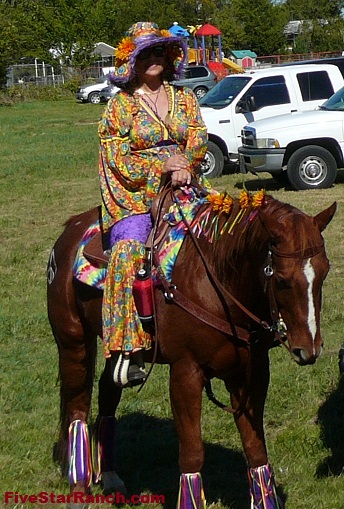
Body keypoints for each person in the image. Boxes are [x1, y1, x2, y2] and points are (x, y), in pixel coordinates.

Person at [98, 21, 210, 387]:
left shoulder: (185, 98)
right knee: (129, 249)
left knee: (222, 230)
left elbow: (197, 135)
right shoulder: (120, 106)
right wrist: (161, 165)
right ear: (132, 61)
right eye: (145, 52)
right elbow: (115, 156)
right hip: (134, 195)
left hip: (184, 183)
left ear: (169, 56)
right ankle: (128, 351)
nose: (153, 58)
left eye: (159, 51)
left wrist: (183, 164)